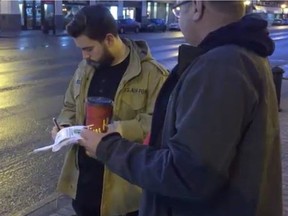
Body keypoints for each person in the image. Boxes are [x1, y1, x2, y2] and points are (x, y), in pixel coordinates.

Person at [78, 1, 282, 216]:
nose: (177, 16)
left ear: (196, 7)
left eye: (178, 8)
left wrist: (107, 148)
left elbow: (186, 173)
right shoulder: (242, 56)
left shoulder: (221, 65)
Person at [51, 4, 168, 216]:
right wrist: (64, 126)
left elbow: (159, 124)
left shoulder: (153, 75)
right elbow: (69, 105)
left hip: (124, 194)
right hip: (84, 188)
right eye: (81, 50)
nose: (84, 56)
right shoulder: (85, 69)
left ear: (109, 40)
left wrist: (118, 129)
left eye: (88, 49)